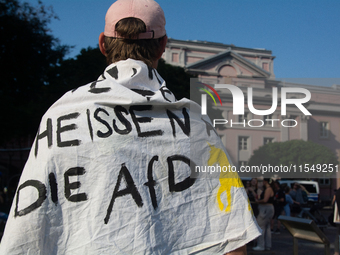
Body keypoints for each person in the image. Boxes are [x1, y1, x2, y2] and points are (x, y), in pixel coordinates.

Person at [0, 0, 261, 254]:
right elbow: (231, 231)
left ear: (103, 44)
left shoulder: (61, 114)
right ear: (162, 46)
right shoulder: (195, 122)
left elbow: (30, 228)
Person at [253, 178, 275, 251]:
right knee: (267, 227)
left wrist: (258, 201)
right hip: (268, 208)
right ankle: (267, 245)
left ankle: (261, 245)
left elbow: (265, 200)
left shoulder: (268, 189)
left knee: (261, 226)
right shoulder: (268, 188)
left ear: (265, 181)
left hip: (265, 208)